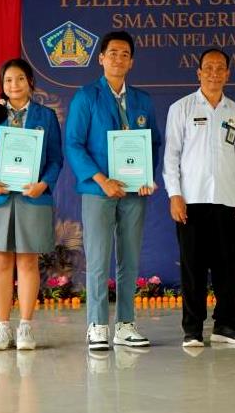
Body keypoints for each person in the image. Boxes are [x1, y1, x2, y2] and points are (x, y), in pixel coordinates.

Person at [65, 30, 161, 351]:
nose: (119, 59)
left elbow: (153, 143)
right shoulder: (86, 96)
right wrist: (101, 179)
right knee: (98, 258)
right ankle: (96, 325)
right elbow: (74, 144)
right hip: (98, 190)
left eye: (125, 54)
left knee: (129, 259)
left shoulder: (142, 100)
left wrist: (146, 176)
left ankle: (125, 324)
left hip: (134, 192)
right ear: (101, 58)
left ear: (131, 62)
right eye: (113, 53)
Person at [162, 48, 235, 348]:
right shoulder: (182, 108)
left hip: (228, 200)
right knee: (193, 267)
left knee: (226, 267)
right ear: (199, 72)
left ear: (228, 74)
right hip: (192, 200)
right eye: (208, 68)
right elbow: (171, 156)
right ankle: (192, 329)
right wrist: (175, 195)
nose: (214, 73)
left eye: (220, 68)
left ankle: (225, 325)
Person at [0, 58, 63, 351]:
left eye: (20, 79)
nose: (14, 85)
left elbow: (55, 159)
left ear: (30, 82)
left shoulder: (45, 116)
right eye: (8, 80)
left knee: (27, 260)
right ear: (2, 84)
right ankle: (2, 327)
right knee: (0, 260)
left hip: (32, 197)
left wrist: (43, 184)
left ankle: (25, 327)